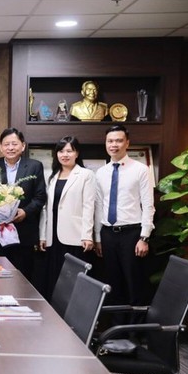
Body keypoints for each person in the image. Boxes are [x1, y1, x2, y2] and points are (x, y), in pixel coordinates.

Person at [94, 125, 154, 310]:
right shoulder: (101, 172)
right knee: (113, 284)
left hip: (132, 234)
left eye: (119, 140)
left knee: (134, 283)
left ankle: (135, 333)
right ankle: (117, 329)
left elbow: (148, 205)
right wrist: (98, 238)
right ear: (105, 144)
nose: (114, 145)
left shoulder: (141, 170)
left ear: (127, 143)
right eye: (110, 141)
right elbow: (99, 207)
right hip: (108, 234)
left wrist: (144, 237)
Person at [0, 128, 47, 287]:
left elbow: (40, 197)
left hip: (23, 233)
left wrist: (25, 212)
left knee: (21, 279)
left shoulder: (34, 166)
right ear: (0, 147)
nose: (10, 148)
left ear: (23, 146)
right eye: (6, 144)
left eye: (14, 144)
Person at [38, 136, 96, 300]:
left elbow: (89, 206)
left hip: (75, 236)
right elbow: (45, 209)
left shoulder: (86, 175)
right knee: (54, 280)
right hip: (53, 237)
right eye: (61, 151)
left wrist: (87, 235)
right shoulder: (52, 176)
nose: (65, 154)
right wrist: (43, 235)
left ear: (76, 153)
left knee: (72, 282)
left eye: (69, 151)